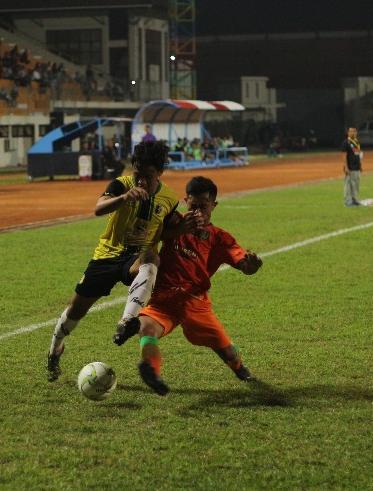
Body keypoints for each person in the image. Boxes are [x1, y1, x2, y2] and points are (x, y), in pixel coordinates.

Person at [46, 141, 191, 382]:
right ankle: (55, 349)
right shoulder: (121, 185)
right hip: (106, 256)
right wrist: (124, 197)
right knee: (76, 310)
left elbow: (162, 232)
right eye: (137, 173)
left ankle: (127, 320)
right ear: (132, 167)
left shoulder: (169, 198)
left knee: (152, 257)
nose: (141, 180)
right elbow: (99, 209)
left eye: (148, 175)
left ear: (160, 173)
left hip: (135, 259)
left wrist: (181, 229)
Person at [136, 176, 263, 395]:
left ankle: (238, 365)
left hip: (195, 303)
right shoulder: (175, 222)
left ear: (214, 205)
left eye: (203, 207)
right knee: (145, 328)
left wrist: (250, 265)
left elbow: (241, 261)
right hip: (163, 300)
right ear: (186, 201)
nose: (197, 212)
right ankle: (152, 372)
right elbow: (149, 232)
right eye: (193, 206)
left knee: (227, 353)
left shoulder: (219, 238)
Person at [342, 126, 363, 207]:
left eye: (354, 131)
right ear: (348, 133)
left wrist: (360, 166)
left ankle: (355, 200)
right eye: (351, 131)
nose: (352, 133)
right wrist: (346, 167)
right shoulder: (346, 143)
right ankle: (347, 201)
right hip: (350, 167)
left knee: (356, 184)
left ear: (356, 133)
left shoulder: (357, 142)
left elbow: (358, 155)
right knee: (348, 184)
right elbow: (344, 156)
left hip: (357, 167)